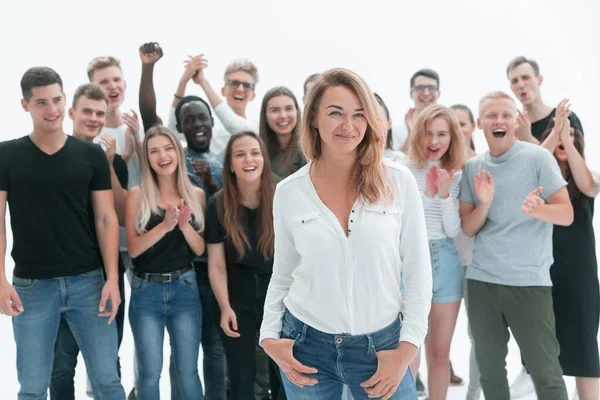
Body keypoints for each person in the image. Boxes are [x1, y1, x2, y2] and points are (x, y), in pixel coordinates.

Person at [260, 68, 432, 399]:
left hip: (381, 347)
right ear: (312, 118)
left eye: (358, 114)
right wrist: (269, 337)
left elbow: (418, 274)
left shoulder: (398, 181)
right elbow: (283, 274)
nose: (348, 125)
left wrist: (407, 348)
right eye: (335, 113)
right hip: (306, 347)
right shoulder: (289, 192)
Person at [0, 66, 125, 399]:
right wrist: (0, 280)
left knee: (108, 381)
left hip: (89, 284)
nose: (52, 110)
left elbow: (106, 219)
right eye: (41, 103)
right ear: (25, 105)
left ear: (65, 99)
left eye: (57, 100)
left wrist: (112, 278)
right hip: (32, 288)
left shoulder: (91, 156)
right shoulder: (6, 156)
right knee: (32, 388)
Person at [460, 91, 573, 400]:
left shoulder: (537, 158)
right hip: (482, 282)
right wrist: (484, 205)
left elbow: (567, 214)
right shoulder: (473, 168)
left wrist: (539, 210)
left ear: (515, 120)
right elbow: (468, 227)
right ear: (480, 123)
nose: (500, 121)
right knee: (491, 374)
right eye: (492, 116)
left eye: (506, 115)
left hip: (528, 283)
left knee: (546, 372)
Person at [137, 41, 228, 400]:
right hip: (169, 272)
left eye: (202, 118)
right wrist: (158, 71)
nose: (196, 124)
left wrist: (207, 184)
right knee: (165, 365)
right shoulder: (171, 154)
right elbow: (151, 116)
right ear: (180, 130)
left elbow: (223, 217)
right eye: (188, 121)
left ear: (210, 122)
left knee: (208, 354)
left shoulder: (222, 161)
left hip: (209, 270)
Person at [49, 83, 129, 400]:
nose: (94, 119)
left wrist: (107, 163)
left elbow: (121, 216)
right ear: (71, 113)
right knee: (61, 364)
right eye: (87, 112)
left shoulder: (113, 160)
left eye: (100, 113)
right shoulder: (49, 157)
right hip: (60, 277)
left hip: (105, 274)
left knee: (108, 365)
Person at [125, 126, 206, 400]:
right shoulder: (137, 195)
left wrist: (183, 227)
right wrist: (165, 226)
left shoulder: (196, 194)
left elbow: (199, 248)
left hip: (185, 288)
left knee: (188, 371)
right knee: (149, 373)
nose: (163, 156)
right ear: (146, 157)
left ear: (178, 152)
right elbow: (134, 249)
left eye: (168, 148)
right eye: (154, 150)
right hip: (146, 291)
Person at [394, 104, 465, 400]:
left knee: (439, 352)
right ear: (417, 133)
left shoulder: (457, 173)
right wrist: (429, 194)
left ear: (452, 138)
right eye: (429, 133)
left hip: (445, 260)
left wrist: (446, 195)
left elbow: (453, 230)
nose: (435, 141)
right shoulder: (403, 168)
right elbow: (403, 222)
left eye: (442, 134)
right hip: (409, 261)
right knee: (408, 350)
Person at [206, 131, 279, 399]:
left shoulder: (282, 194)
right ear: (231, 165)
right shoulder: (218, 204)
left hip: (278, 293)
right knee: (241, 379)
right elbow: (216, 264)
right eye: (240, 154)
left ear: (264, 159)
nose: (249, 159)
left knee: (283, 376)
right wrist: (225, 307)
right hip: (237, 295)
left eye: (255, 152)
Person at [540, 100, 600, 400]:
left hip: (580, 274)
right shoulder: (538, 177)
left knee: (586, 352)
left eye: (573, 134)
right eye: (559, 133)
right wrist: (555, 135)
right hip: (541, 272)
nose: (566, 138)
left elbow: (589, 185)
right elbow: (535, 160)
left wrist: (567, 137)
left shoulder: (587, 176)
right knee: (547, 354)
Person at [450, 104, 482, 400]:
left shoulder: (483, 164)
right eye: (453, 124)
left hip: (477, 263)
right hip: (446, 260)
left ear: (473, 127)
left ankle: (474, 393)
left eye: (463, 123)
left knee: (478, 334)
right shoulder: (439, 166)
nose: (458, 130)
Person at [506, 56, 584, 144]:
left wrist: (528, 139)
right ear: (511, 88)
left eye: (525, 77)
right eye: (515, 81)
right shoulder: (512, 129)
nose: (521, 85)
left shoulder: (565, 118)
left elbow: (576, 157)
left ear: (539, 80)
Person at [187, 55, 260, 136]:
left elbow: (234, 126)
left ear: (253, 96)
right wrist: (184, 80)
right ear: (223, 91)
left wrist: (203, 82)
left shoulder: (257, 128)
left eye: (247, 86)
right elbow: (174, 132)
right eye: (234, 83)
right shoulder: (208, 127)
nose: (240, 89)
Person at [259, 86, 307, 180]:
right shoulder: (258, 150)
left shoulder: (308, 150)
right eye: (275, 110)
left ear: (297, 111)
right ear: (265, 116)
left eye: (289, 108)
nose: (283, 116)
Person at [392, 68, 441, 153]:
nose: (426, 93)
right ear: (411, 94)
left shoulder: (449, 125)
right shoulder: (399, 129)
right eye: (420, 88)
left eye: (431, 88)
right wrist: (411, 134)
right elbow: (396, 161)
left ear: (438, 94)